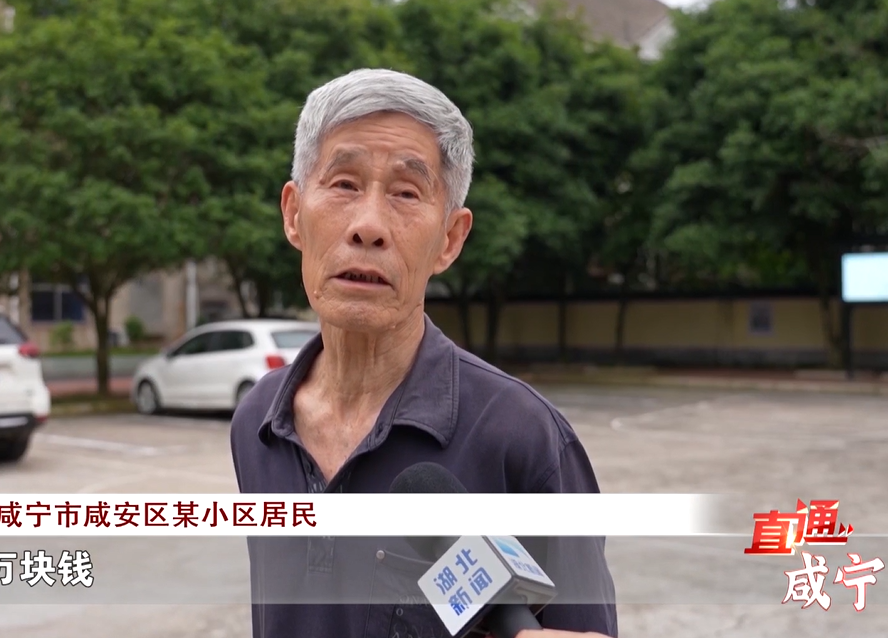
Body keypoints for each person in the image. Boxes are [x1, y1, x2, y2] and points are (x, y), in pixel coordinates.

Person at [229, 68, 618, 638]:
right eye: (344, 184)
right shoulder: (257, 424)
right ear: (293, 214)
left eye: (407, 193)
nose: (368, 226)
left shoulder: (524, 439)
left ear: (450, 239)